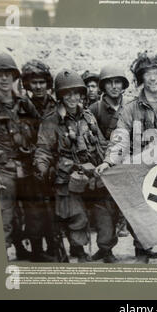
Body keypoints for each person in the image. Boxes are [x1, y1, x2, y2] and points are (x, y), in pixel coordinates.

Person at [95, 51, 157, 264]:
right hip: (141, 168)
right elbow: (119, 137)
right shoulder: (130, 109)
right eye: (148, 74)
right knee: (140, 210)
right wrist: (109, 161)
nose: (153, 78)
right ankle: (142, 250)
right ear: (141, 78)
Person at [34, 69, 107, 263]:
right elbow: (43, 149)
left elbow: (101, 144)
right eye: (67, 93)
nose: (73, 98)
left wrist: (107, 162)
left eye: (76, 93)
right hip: (67, 175)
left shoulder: (89, 117)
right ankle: (79, 251)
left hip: (91, 172)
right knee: (76, 216)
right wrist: (42, 168)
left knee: (102, 212)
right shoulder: (51, 120)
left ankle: (105, 249)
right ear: (60, 95)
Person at [0, 52, 39, 260]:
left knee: (31, 212)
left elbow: (39, 131)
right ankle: (0, 257)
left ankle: (28, 249)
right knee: (4, 214)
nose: (5, 78)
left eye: (8, 74)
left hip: (25, 167)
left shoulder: (24, 103)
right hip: (0, 168)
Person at [86, 65, 131, 262]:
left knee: (133, 209)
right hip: (104, 166)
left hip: (128, 165)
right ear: (103, 86)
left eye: (118, 82)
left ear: (123, 85)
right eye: (110, 82)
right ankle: (105, 249)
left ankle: (143, 248)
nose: (114, 86)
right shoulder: (94, 109)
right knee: (104, 210)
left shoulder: (131, 106)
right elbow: (89, 138)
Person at [21, 59, 58, 262]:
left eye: (42, 82)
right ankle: (36, 250)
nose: (38, 86)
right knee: (33, 210)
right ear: (28, 84)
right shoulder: (21, 106)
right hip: (28, 166)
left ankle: (53, 246)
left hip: (51, 164)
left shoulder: (55, 105)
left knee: (51, 208)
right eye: (33, 83)